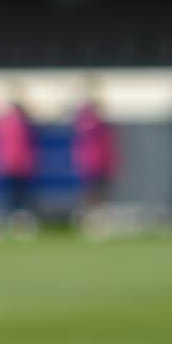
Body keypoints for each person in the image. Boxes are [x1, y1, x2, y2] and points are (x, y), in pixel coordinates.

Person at [0, 90, 40, 236]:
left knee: (18, 199)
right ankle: (5, 226)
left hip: (17, 166)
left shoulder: (19, 123)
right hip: (12, 166)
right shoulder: (12, 123)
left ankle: (16, 226)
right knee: (11, 198)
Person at [72, 79, 119, 232]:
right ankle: (88, 223)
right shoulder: (87, 119)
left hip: (102, 162)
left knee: (101, 194)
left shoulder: (102, 120)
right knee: (91, 194)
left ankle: (98, 222)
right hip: (91, 163)